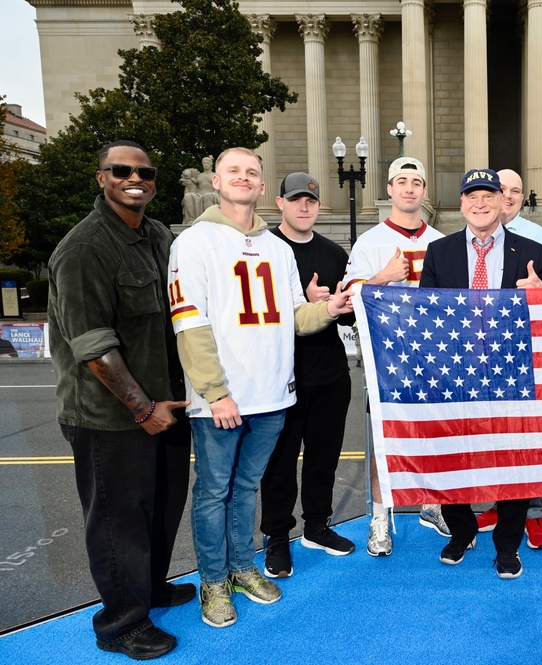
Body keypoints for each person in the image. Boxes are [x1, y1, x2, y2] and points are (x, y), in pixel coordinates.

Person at [169, 148, 353, 628]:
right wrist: (214, 391)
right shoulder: (194, 242)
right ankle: (212, 580)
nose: (243, 178)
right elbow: (189, 322)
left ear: (260, 181)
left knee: (246, 488)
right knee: (214, 492)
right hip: (222, 399)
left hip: (273, 395)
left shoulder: (276, 247)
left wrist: (331, 309)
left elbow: (296, 316)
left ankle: (241, 567)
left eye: (251, 171)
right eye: (234, 170)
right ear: (216, 179)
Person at [48, 140, 193, 660]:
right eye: (122, 170)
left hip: (166, 407)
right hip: (111, 416)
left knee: (160, 510)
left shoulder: (157, 235)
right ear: (101, 178)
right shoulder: (84, 248)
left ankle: (150, 590)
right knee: (117, 520)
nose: (136, 178)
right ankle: (121, 623)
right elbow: (94, 346)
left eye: (145, 171)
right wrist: (141, 407)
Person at [420, 167, 542, 579]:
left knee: (513, 462)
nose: (480, 204)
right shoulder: (439, 252)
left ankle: (508, 545)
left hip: (510, 373)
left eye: (488, 196)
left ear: (503, 201)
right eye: (472, 197)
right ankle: (461, 531)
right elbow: (425, 316)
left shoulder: (531, 250)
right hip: (456, 374)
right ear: (462, 204)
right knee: (453, 457)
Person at [343, 156, 448, 556]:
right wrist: (382, 277)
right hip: (387, 359)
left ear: (424, 190)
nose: (408, 188)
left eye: (416, 181)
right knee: (383, 441)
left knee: (434, 433)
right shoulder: (370, 242)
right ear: (388, 189)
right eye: (401, 181)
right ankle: (380, 516)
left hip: (434, 357)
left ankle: (432, 502)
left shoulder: (440, 241)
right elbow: (349, 301)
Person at [259, 172, 356, 579]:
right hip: (282, 376)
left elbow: (345, 313)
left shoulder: (334, 253)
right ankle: (278, 537)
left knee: (323, 460)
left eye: (311, 201)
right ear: (280, 203)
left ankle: (317, 526)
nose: (304, 207)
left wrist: (337, 304)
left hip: (330, 373)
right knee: (279, 465)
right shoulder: (264, 250)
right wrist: (303, 300)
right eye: (296, 199)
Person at [474, 168, 542, 550]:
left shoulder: (536, 240)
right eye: (499, 190)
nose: (505, 196)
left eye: (513, 191)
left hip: (518, 359)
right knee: (491, 439)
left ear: (521, 198)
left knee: (524, 438)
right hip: (473, 359)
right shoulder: (460, 240)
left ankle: (533, 512)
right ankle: (502, 501)